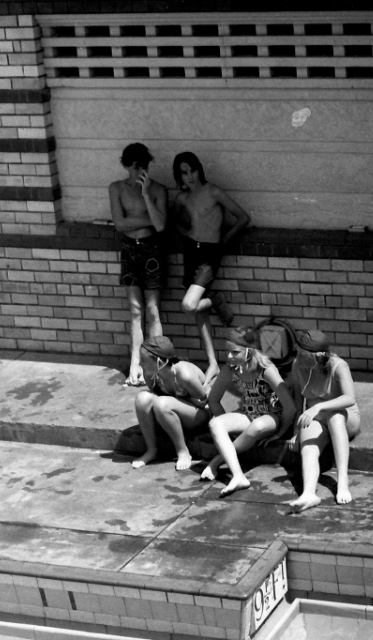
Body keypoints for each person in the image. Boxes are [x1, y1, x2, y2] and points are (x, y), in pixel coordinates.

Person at [172, 151, 252, 385]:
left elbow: (243, 217)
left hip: (210, 254)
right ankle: (213, 364)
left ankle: (215, 299)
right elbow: (174, 220)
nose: (189, 177)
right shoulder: (183, 198)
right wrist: (185, 234)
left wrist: (224, 241)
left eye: (192, 170)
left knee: (190, 304)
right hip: (191, 251)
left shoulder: (214, 192)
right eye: (184, 173)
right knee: (199, 313)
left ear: (200, 169)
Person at [271, 330, 361, 512]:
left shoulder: (338, 366)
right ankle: (309, 494)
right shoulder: (298, 365)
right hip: (316, 417)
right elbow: (298, 399)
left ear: (318, 357)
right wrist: (297, 432)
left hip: (344, 417)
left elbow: (349, 398)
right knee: (308, 446)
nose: (299, 358)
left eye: (304, 355)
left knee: (335, 418)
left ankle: (342, 481)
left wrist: (319, 407)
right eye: (298, 353)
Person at [201, 327, 292, 497]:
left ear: (249, 351)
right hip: (247, 413)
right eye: (227, 352)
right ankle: (238, 476)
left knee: (257, 426)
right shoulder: (231, 369)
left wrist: (280, 433)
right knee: (215, 424)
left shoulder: (266, 369)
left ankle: (216, 461)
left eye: (234, 352)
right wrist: (227, 431)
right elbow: (213, 400)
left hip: (271, 416)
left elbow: (289, 406)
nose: (229, 356)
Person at [109, 143, 168, 386]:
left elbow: (161, 226)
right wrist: (147, 219)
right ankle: (136, 362)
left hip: (152, 248)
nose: (138, 173)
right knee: (136, 310)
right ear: (125, 165)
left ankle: (159, 364)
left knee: (153, 309)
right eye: (133, 168)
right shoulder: (116, 188)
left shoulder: (158, 190)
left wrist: (145, 195)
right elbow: (120, 225)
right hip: (129, 249)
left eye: (142, 167)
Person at [131, 336, 210, 470]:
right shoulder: (150, 372)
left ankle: (183, 451)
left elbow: (204, 402)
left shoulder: (184, 374)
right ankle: (152, 450)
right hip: (173, 411)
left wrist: (175, 401)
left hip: (199, 414)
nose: (140, 363)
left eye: (144, 360)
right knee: (142, 398)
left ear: (160, 361)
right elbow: (154, 394)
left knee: (162, 403)